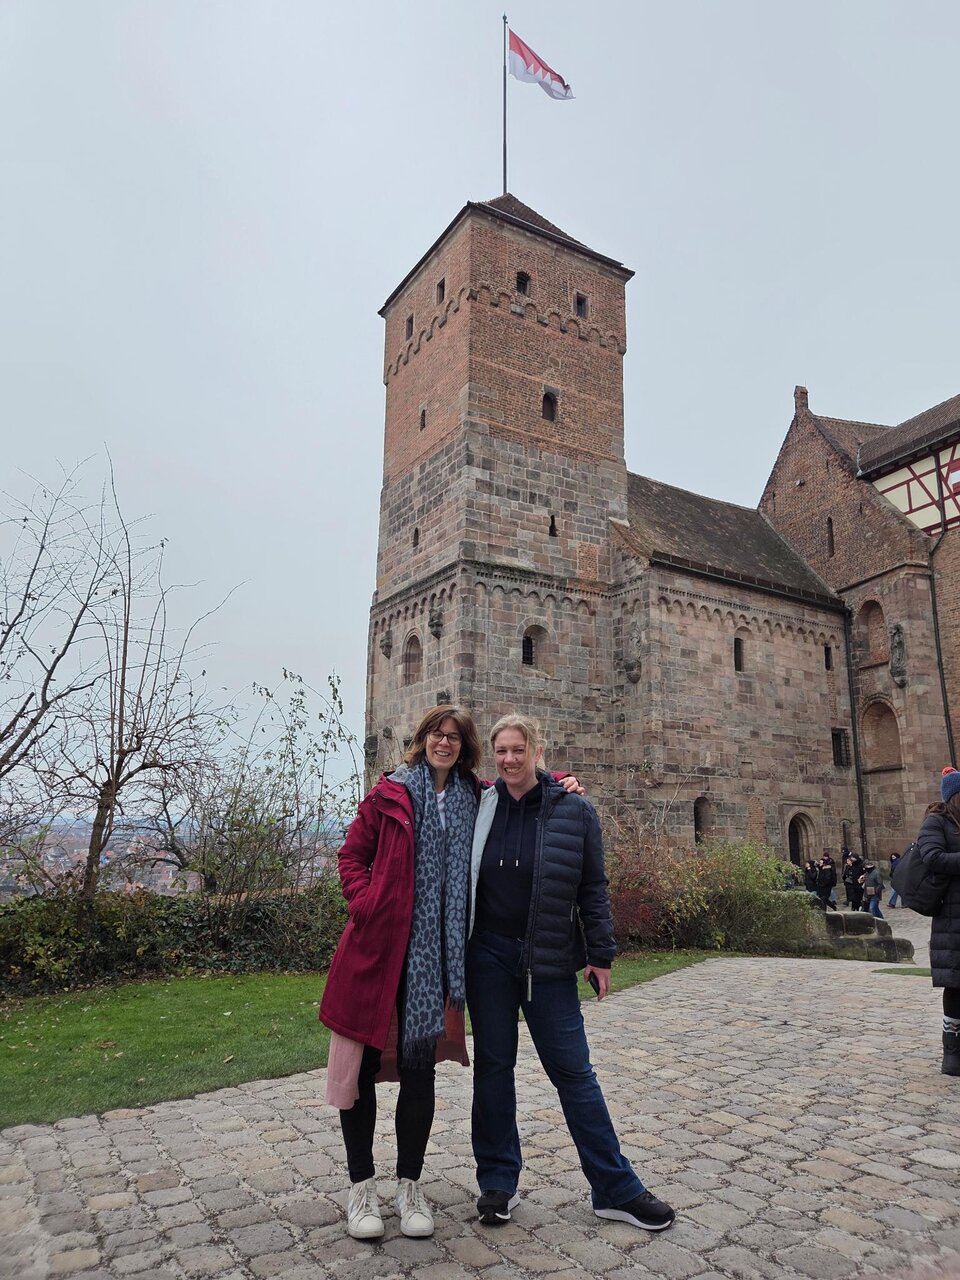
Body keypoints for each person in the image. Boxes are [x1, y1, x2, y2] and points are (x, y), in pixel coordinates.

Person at [319, 705, 582, 1240]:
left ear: (464, 747)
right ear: (423, 739)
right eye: (438, 735)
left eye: (455, 738)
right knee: (363, 1071)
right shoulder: (390, 792)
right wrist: (369, 904)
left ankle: (410, 1185)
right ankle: (361, 1187)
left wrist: (557, 780)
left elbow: (518, 781)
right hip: (377, 953)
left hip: (434, 959)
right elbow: (351, 857)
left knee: (420, 1073)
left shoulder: (473, 797)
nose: (445, 743)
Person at [465, 713, 676, 1234]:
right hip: (488, 957)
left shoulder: (574, 810)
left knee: (575, 1075)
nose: (509, 759)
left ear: (538, 751)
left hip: (551, 960)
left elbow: (593, 888)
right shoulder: (481, 805)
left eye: (519, 749)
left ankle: (615, 1188)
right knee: (493, 1071)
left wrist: (600, 955)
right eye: (501, 751)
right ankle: (496, 1183)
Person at [916, 766, 960, 1075]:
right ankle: (952, 1050)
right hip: (953, 917)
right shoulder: (937, 822)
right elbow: (931, 858)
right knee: (956, 984)